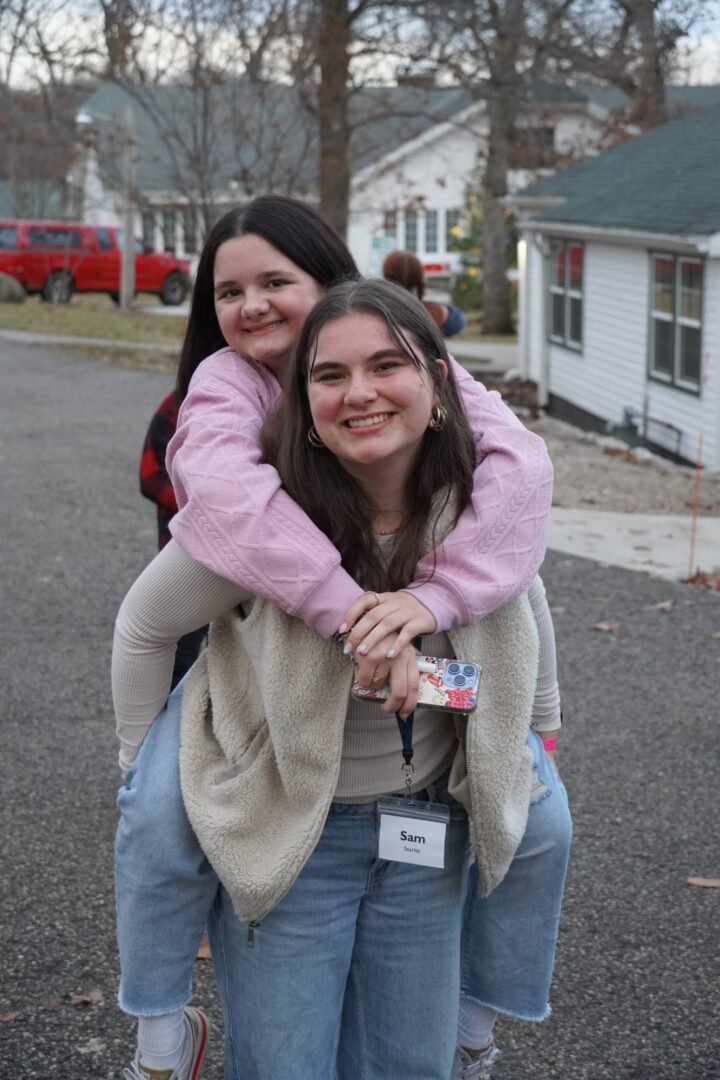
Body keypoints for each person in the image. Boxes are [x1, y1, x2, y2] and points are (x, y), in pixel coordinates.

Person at [113, 195, 556, 1079]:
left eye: (277, 281)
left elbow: (523, 590)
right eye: (229, 290)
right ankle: (161, 1034)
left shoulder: (464, 505)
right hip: (281, 792)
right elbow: (153, 609)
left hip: (418, 821)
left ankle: (475, 1021)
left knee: (545, 824)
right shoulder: (238, 436)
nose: (251, 307)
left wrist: (439, 640)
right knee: (155, 818)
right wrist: (349, 615)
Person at [139, 391, 206, 690]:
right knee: (177, 661)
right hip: (186, 559)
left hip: (251, 568)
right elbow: (150, 477)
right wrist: (213, 512)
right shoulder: (181, 401)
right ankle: (164, 731)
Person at [383, 248, 466, 337]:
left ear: (385, 275)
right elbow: (457, 322)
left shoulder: (378, 309)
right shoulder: (433, 312)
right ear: (419, 277)